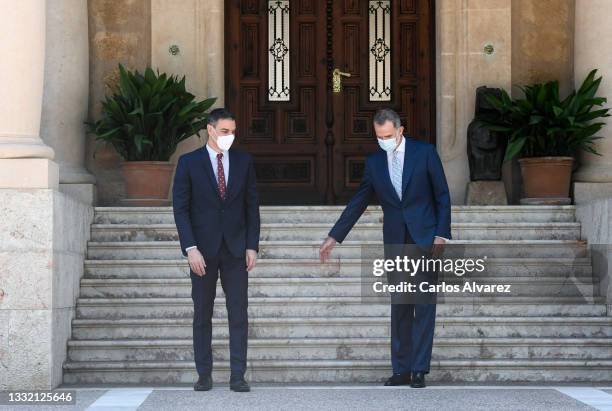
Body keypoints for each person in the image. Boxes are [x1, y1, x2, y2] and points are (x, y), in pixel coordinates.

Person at [319, 108, 451, 388]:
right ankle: (401, 369)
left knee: (423, 304)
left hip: (425, 236)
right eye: (379, 137)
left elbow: (442, 195)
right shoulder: (375, 162)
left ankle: (419, 370)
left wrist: (441, 235)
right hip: (395, 239)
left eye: (388, 136)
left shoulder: (424, 152)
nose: (384, 141)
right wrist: (334, 236)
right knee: (400, 304)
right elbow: (359, 200)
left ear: (400, 131)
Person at [172, 108, 260, 392]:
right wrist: (190, 248)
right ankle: (204, 375)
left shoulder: (244, 161)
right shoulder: (188, 163)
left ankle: (238, 376)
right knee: (202, 314)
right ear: (210, 130)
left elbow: (251, 207)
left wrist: (252, 245)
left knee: (239, 314)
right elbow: (181, 209)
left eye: (233, 132)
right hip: (202, 251)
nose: (229, 137)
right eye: (224, 131)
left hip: (235, 249)